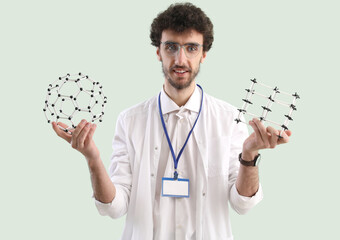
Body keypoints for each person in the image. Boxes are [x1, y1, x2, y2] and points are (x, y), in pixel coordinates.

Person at [52, 3, 291, 240]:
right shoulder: (130, 120)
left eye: (191, 48)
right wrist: (92, 158)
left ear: (204, 54)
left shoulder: (229, 119)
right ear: (158, 51)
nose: (180, 59)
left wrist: (249, 155)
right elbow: (114, 207)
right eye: (171, 47)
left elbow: (242, 204)